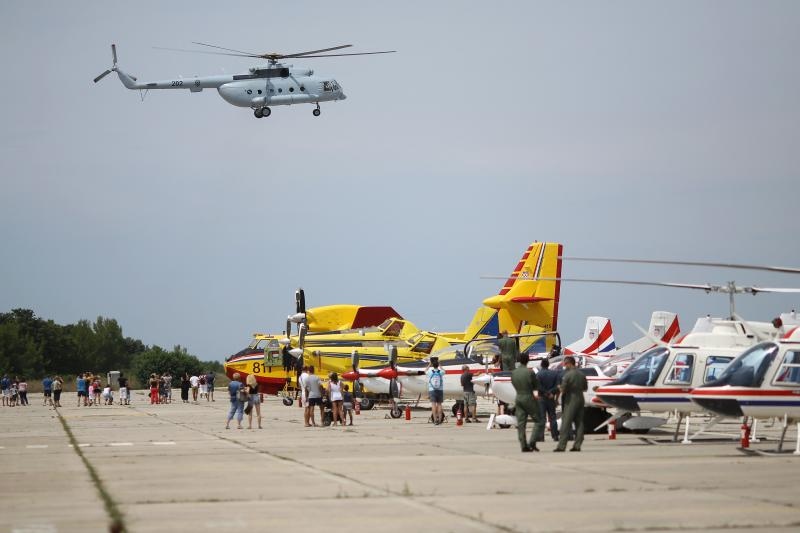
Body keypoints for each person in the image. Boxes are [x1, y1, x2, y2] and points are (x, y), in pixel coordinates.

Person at [511, 353, 544, 452]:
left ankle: (523, 445)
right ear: (527, 360)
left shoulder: (514, 372)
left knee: (521, 423)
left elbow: (513, 383)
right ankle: (532, 442)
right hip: (528, 397)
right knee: (539, 421)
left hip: (518, 397)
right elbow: (536, 386)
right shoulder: (530, 372)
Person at [554, 355, 588, 452]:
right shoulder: (582, 374)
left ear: (569, 363)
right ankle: (577, 445)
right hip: (580, 398)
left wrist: (559, 387)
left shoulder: (568, 375)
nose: (565, 366)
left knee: (566, 423)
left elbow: (563, 389)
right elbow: (585, 388)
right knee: (579, 422)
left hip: (571, 400)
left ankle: (561, 446)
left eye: (565, 364)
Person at [537, 358, 561, 441]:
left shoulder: (539, 374)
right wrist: (551, 393)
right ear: (548, 365)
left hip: (542, 399)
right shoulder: (554, 374)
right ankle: (555, 436)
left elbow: (538, 387)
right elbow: (558, 387)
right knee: (553, 418)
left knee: (542, 418)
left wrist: (546, 393)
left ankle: (541, 437)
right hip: (551, 398)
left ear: (541, 365)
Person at [426, 357, 445, 425]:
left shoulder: (430, 372)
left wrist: (429, 364)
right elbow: (445, 371)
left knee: (433, 405)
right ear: (437, 365)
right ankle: (440, 420)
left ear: (432, 365)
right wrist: (439, 364)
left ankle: (435, 420)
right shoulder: (441, 372)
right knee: (439, 404)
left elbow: (425, 370)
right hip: (440, 390)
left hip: (432, 390)